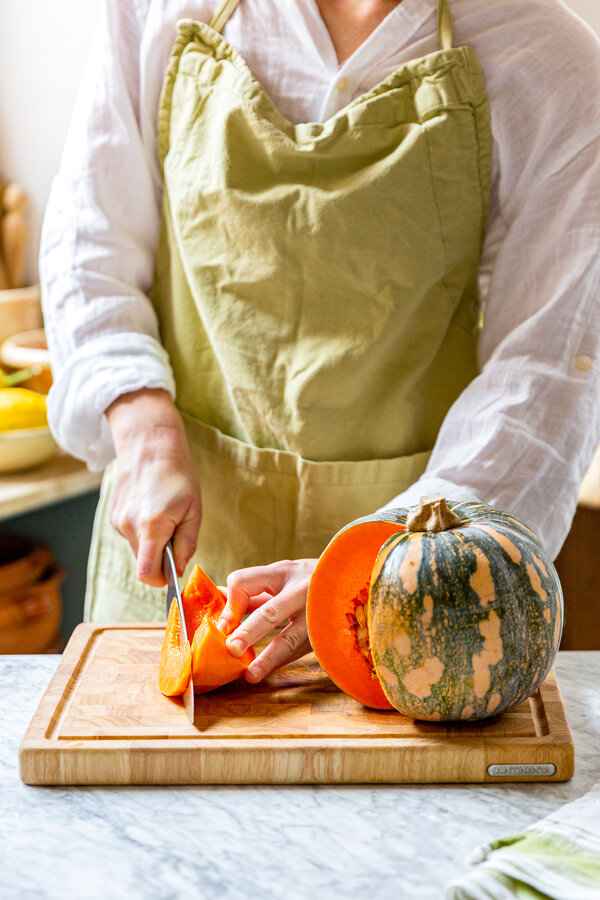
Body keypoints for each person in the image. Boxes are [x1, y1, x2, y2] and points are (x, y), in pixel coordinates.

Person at [40, 0, 600, 685]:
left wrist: (375, 570)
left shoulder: (553, 62)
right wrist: (142, 425)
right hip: (179, 549)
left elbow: (547, 370)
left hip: (408, 593)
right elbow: (88, 239)